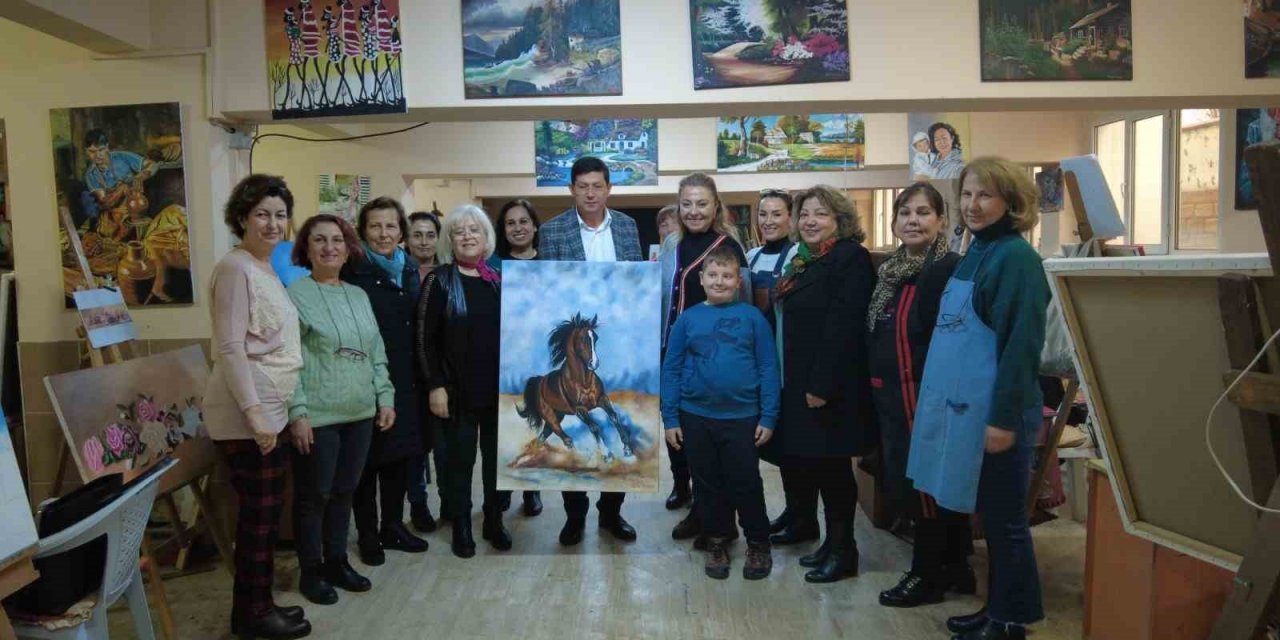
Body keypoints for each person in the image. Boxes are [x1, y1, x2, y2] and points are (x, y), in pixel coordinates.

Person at [907, 158, 1048, 640]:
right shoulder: (978, 251)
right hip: (969, 411)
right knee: (989, 517)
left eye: (985, 195)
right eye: (966, 195)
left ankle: (1012, 620)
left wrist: (1005, 420)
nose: (973, 206)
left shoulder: (1016, 259)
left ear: (1011, 200)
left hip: (998, 412)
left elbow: (1021, 347)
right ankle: (996, 607)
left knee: (1007, 524)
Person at [204, 174, 311, 640]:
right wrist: (256, 416)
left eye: (280, 214)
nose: (272, 223)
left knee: (265, 518)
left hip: (271, 408)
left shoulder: (265, 266)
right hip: (247, 416)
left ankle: (259, 604)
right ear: (242, 218)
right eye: (262, 214)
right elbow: (230, 349)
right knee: (257, 518)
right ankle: (251, 615)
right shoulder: (235, 268)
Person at [865, 183, 974, 609]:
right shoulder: (890, 271)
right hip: (893, 398)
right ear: (893, 222)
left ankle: (927, 573)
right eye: (905, 213)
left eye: (924, 212)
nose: (913, 220)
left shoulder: (949, 268)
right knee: (911, 483)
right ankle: (953, 565)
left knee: (927, 485)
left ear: (941, 221)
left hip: (931, 399)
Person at [769, 184, 876, 584]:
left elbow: (843, 328)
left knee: (834, 472)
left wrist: (822, 386)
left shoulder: (850, 258)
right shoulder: (806, 261)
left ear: (840, 221)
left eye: (821, 214)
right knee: (818, 466)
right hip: (802, 383)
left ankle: (844, 550)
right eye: (805, 214)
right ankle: (831, 544)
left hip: (829, 388)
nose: (810, 221)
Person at [287, 214, 395, 605]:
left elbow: (375, 351)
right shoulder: (295, 294)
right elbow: (289, 359)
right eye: (320, 240)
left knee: (345, 491)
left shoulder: (358, 294)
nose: (329, 247)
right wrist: (297, 412)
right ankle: (311, 571)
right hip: (318, 416)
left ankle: (336, 561)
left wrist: (385, 397)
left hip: (361, 412)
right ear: (307, 248)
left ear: (349, 247)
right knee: (314, 496)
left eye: (337, 240)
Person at [537, 156, 641, 546]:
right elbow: (549, 289)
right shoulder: (553, 230)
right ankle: (574, 515)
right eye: (583, 186)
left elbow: (635, 285)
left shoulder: (628, 228)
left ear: (609, 188)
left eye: (598, 185)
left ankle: (612, 514)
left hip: (619, 337)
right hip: (577, 341)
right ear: (572, 190)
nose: (591, 193)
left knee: (622, 413)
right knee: (575, 421)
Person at [662, 245, 779, 581]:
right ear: (700, 279)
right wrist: (670, 418)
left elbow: (769, 367)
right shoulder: (687, 319)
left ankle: (758, 541)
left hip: (742, 417)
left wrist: (768, 416)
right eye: (712, 275)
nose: (719, 281)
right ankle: (717, 538)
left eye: (727, 276)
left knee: (746, 482)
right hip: (695, 416)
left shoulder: (753, 318)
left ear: (738, 281)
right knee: (707, 484)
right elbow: (671, 369)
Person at [658, 173, 750, 545]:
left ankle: (710, 516)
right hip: (670, 353)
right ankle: (694, 502)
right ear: (678, 207)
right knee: (677, 433)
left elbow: (741, 311)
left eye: (701, 203)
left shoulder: (730, 247)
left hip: (710, 359)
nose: (694, 211)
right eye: (687, 204)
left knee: (706, 442)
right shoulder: (671, 244)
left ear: (716, 206)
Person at [417, 204, 512, 558]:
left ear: (487, 238)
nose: (468, 236)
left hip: (498, 390)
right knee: (459, 462)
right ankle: (461, 523)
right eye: (460, 231)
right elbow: (425, 339)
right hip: (456, 391)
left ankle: (492, 519)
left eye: (475, 230)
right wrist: (434, 385)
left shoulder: (498, 281)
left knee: (495, 461)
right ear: (450, 240)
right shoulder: (438, 281)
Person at [343, 197, 429, 566]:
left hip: (407, 381)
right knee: (367, 464)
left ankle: (393, 525)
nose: (383, 234)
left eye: (391, 226)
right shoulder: (352, 271)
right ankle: (368, 533)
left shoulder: (409, 267)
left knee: (400, 458)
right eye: (375, 226)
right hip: (369, 381)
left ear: (401, 231)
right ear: (363, 232)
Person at [744, 189, 808, 545]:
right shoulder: (751, 256)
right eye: (763, 214)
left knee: (794, 443)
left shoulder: (798, 255)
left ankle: (803, 517)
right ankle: (792, 511)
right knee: (778, 445)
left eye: (776, 214)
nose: (769, 221)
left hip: (786, 359)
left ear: (791, 218)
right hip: (758, 359)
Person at [493, 198, 544, 517]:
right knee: (508, 426)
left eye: (524, 221)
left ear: (535, 226)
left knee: (535, 422)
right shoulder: (492, 267)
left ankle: (532, 489)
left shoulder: (551, 263)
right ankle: (502, 492)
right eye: (510, 223)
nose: (518, 228)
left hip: (540, 357)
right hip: (504, 358)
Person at [404, 210, 446, 533]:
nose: (423, 241)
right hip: (407, 374)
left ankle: (449, 502)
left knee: (442, 445)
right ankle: (418, 505)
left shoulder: (447, 274)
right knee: (414, 448)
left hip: (440, 374)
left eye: (430, 234)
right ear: (407, 238)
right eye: (417, 235)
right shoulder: (399, 273)